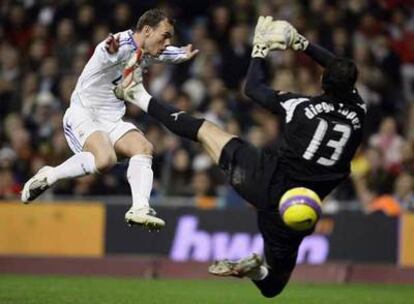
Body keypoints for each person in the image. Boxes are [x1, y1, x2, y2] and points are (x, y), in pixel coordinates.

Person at [115, 16, 365, 298]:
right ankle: (257, 270)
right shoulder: (359, 112)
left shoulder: (300, 106)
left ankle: (137, 94)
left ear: (322, 80)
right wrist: (303, 44)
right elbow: (341, 70)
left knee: (205, 130)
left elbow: (253, 89)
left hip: (264, 177)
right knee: (274, 286)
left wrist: (261, 49)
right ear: (352, 85)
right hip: (296, 207)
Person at [21, 9, 198, 231]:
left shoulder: (148, 49)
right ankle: (51, 174)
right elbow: (108, 49)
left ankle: (140, 208)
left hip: (111, 118)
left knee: (143, 147)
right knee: (105, 160)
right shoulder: (119, 43)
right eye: (165, 35)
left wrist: (182, 53)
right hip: (83, 113)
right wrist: (109, 48)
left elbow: (165, 53)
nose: (167, 41)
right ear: (146, 30)